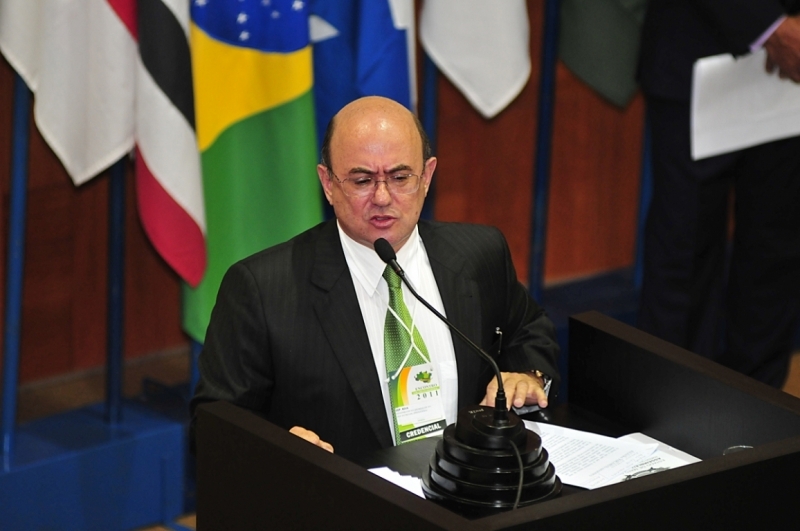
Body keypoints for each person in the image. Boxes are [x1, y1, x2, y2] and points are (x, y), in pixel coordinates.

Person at [190, 96, 560, 460]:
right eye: (362, 180)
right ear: (328, 183)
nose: (382, 197)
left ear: (427, 176)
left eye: (400, 177)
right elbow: (213, 427)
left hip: (467, 485)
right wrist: (277, 450)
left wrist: (529, 375)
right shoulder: (262, 290)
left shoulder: (479, 254)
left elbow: (528, 329)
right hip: (343, 495)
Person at [637, 1, 800, 387]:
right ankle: (671, 408)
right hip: (697, 49)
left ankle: (760, 409)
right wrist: (770, 27)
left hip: (792, 71)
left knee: (776, 254)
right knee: (684, 254)